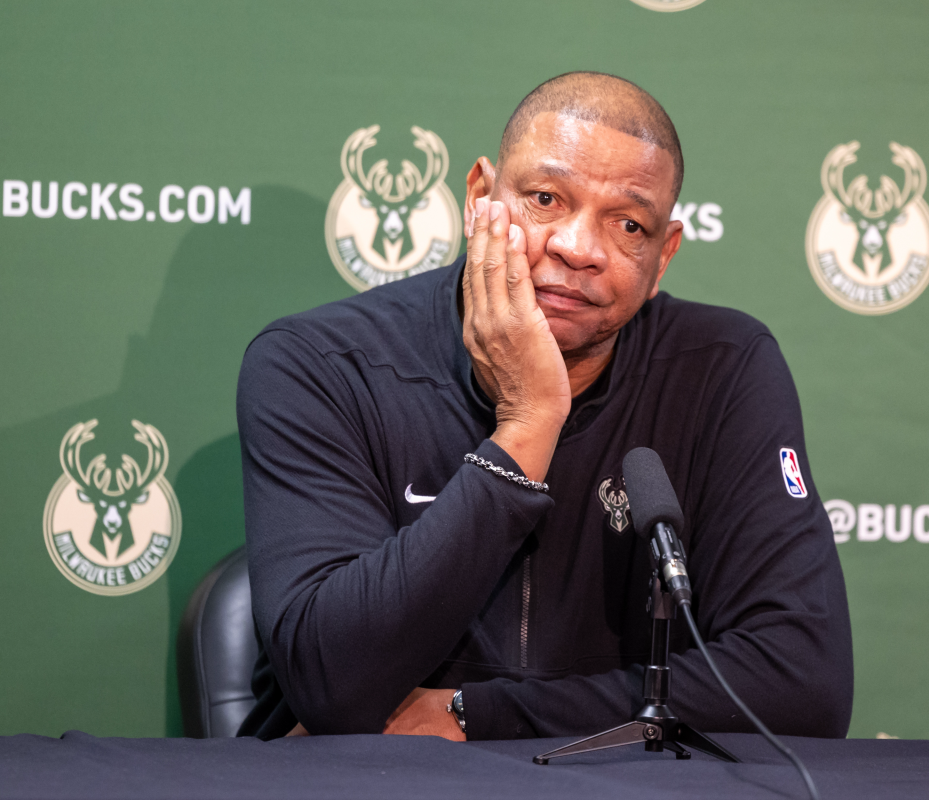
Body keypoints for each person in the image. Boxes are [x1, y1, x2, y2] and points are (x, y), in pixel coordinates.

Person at [236, 72, 852, 742]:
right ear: (479, 198)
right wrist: (528, 426)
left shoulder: (722, 369)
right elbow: (331, 685)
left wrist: (478, 714)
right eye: (546, 198)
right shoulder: (322, 364)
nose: (579, 248)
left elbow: (802, 682)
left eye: (628, 224)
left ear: (662, 258)